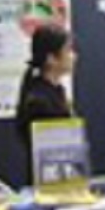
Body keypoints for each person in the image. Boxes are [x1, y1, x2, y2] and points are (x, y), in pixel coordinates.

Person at [16, 24, 76, 184]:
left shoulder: (56, 91)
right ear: (51, 59)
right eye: (68, 50)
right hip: (49, 185)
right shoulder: (39, 102)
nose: (73, 56)